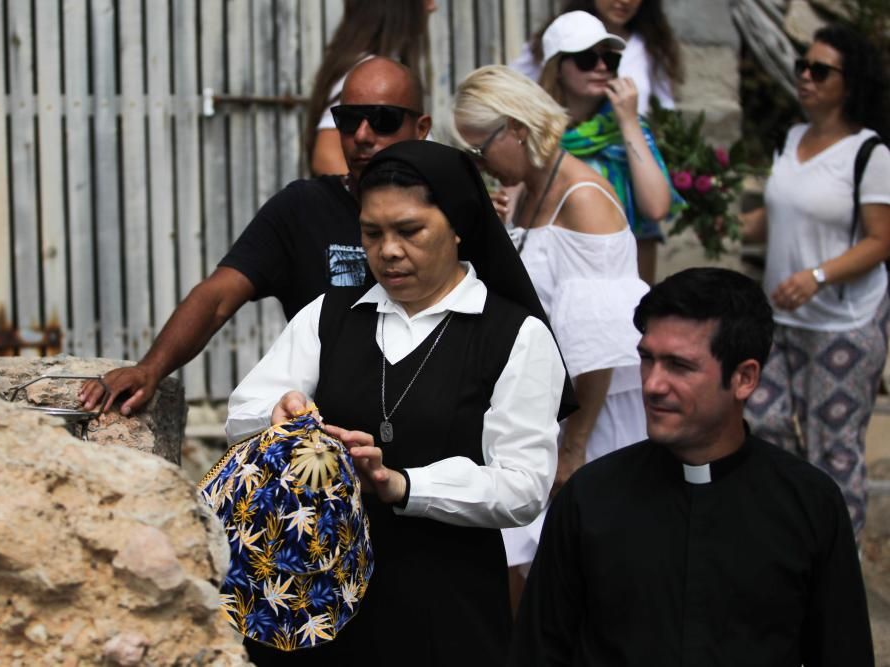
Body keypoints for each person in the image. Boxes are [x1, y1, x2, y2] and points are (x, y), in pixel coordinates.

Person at [224, 141, 567, 666]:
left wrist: (402, 484)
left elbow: (523, 486)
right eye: (371, 233)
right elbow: (245, 407)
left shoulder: (514, 336)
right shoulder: (333, 312)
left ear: (458, 226)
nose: (387, 251)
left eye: (409, 231)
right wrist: (278, 414)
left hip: (443, 605)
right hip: (315, 602)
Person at [509, 267, 875, 667]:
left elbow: (843, 651)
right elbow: (539, 651)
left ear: (744, 378)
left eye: (679, 366)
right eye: (647, 359)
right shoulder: (588, 499)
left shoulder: (810, 503)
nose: (652, 384)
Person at [78, 58, 432, 415]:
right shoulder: (303, 208)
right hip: (326, 438)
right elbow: (217, 297)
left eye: (383, 119)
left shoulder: (452, 207)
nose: (362, 135)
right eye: (349, 119)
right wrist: (149, 368)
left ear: (421, 128)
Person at [453, 65, 647, 607]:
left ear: (516, 129)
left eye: (480, 148)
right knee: (526, 577)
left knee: (577, 582)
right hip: (541, 412)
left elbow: (602, 342)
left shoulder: (585, 200)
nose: (479, 163)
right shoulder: (524, 192)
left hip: (591, 418)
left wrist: (574, 449)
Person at [742, 24, 890, 539]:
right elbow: (778, 216)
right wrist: (723, 222)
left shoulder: (871, 155)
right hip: (781, 316)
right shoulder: (792, 138)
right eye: (802, 66)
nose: (805, 76)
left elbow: (880, 240)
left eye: (820, 70)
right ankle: (792, 535)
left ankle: (836, 563)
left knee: (835, 446)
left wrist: (817, 277)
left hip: (842, 323)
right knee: (761, 419)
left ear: (850, 83)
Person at [534, 10, 682, 285]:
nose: (601, 67)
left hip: (625, 276)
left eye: (610, 58)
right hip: (562, 275)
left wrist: (628, 123)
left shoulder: (629, 124)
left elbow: (657, 207)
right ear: (557, 68)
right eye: (586, 58)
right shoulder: (537, 133)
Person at [304, 0, 434, 176]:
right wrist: (385, 198)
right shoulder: (366, 75)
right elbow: (326, 158)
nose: (433, 6)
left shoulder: (378, 66)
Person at [510, 0, 682, 117]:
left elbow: (666, 112)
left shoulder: (652, 46)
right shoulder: (556, 36)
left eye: (611, 59)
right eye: (585, 59)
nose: (625, 1)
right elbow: (507, 89)